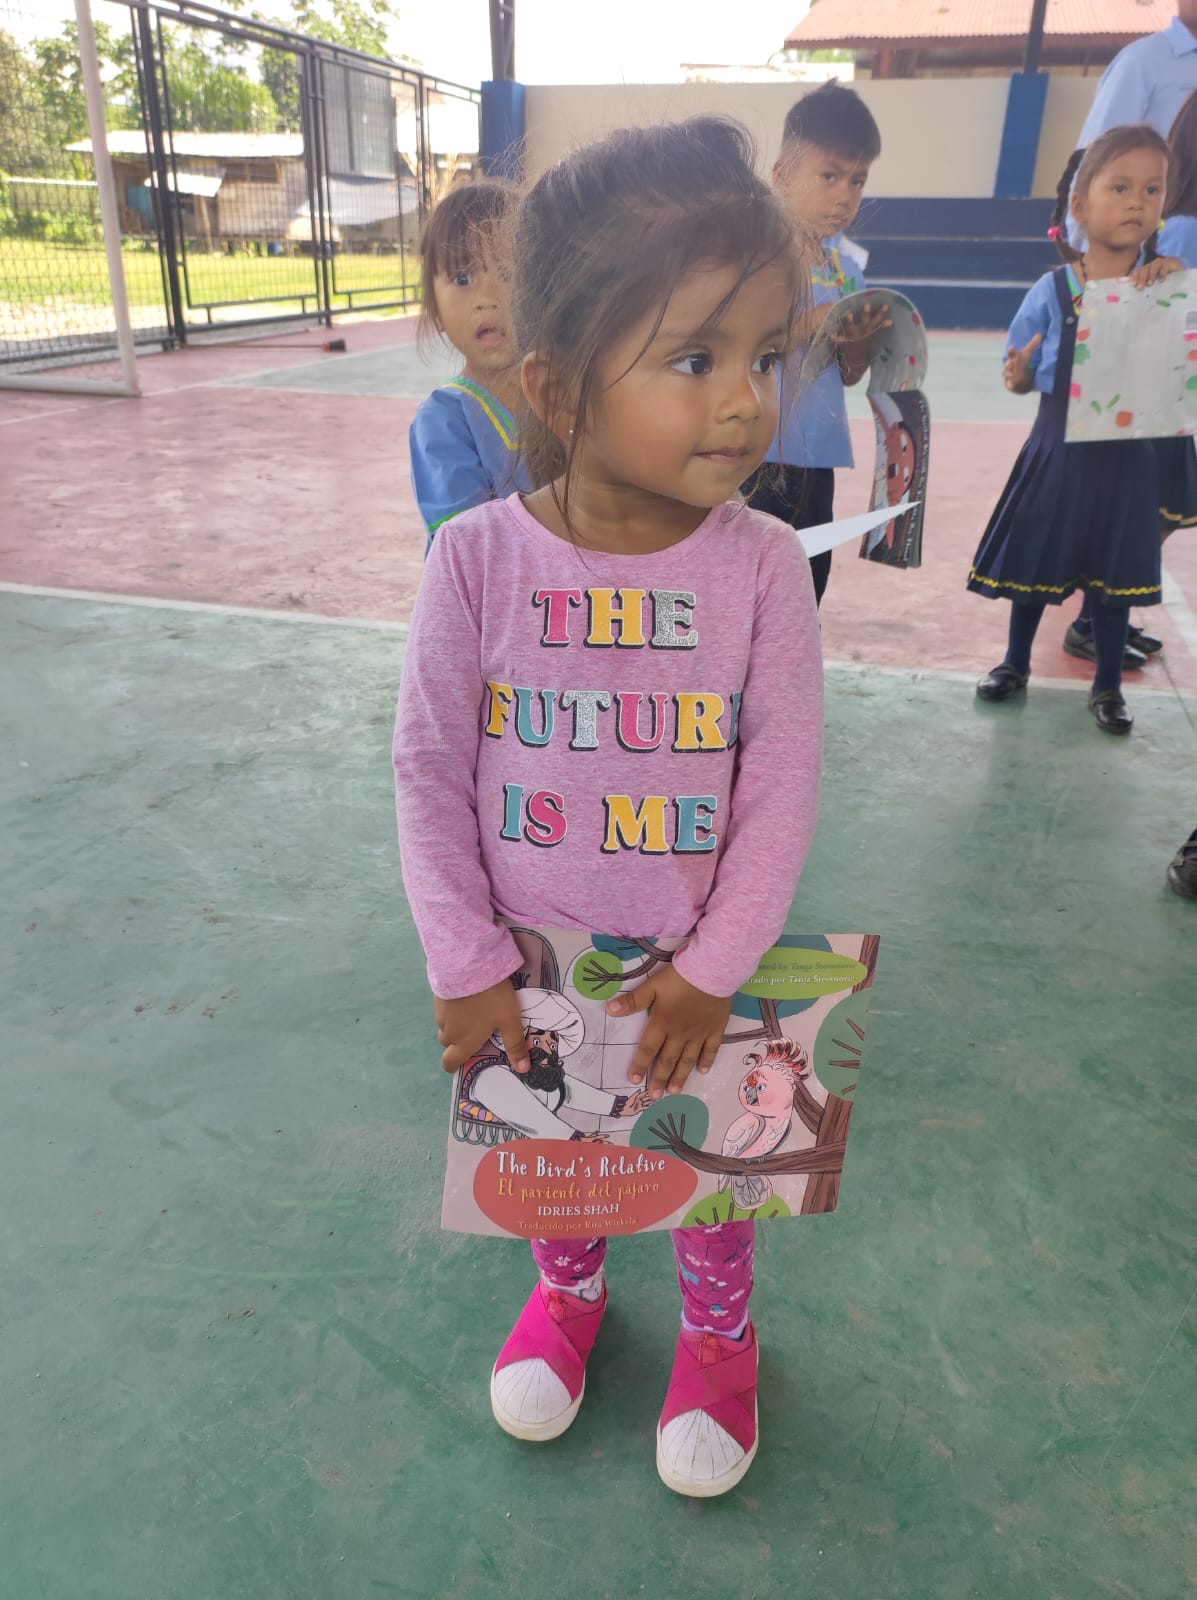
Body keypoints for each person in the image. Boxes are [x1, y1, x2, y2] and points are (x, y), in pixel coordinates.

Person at [393, 118, 823, 1498]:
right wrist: (466, 967)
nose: (749, 400)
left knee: (703, 1182)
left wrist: (712, 969)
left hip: (694, 984)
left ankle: (719, 1338)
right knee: (559, 1165)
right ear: (561, 387)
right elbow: (428, 771)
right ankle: (569, 1296)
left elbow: (780, 784)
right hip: (527, 973)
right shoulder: (475, 562)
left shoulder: (762, 570)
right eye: (695, 359)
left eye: (766, 355)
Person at [970, 126, 1183, 735]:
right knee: (1034, 560)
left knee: (1114, 580)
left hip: (1128, 461)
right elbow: (1018, 374)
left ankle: (1109, 684)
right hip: (1056, 449)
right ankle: (1014, 663)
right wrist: (1018, 373)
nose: (1137, 201)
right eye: (1120, 187)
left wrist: (1169, 285)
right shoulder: (1052, 290)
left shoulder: (1167, 286)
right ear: (1081, 206)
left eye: (1151, 188)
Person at [743, 81, 887, 606]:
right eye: (828, 175)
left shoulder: (846, 267)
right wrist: (819, 321)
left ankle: (792, 665)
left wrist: (862, 337)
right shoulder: (759, 254)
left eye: (857, 180)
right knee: (750, 582)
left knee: (807, 580)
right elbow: (745, 342)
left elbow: (848, 373)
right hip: (755, 452)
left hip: (817, 456)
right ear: (783, 176)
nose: (845, 195)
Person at [408, 180, 532, 551]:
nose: (488, 299)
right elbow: (469, 540)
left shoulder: (566, 395)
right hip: (482, 600)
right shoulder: (444, 418)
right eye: (463, 279)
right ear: (436, 310)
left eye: (508, 275)